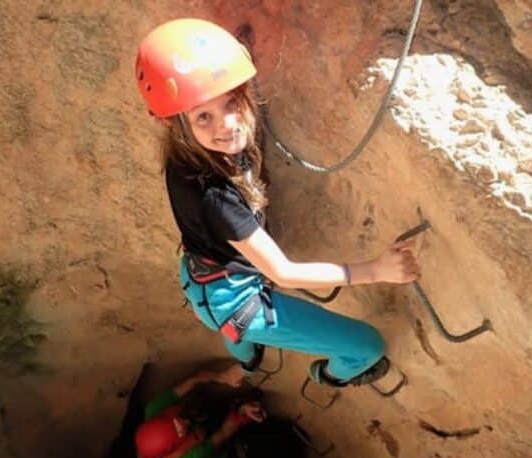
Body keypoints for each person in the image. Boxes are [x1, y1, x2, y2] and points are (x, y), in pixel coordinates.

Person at [134, 18, 420, 390]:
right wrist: (376, 270)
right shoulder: (215, 197)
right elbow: (283, 273)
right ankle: (328, 375)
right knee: (366, 346)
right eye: (204, 117)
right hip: (235, 302)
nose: (229, 125)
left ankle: (247, 361)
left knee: (237, 336)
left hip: (202, 279)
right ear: (179, 126)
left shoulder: (186, 153)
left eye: (233, 101)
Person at [135, 363, 265, 458]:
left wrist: (223, 377)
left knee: (198, 409)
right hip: (205, 439)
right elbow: (225, 432)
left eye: (178, 418)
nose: (185, 422)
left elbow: (193, 380)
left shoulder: (154, 409)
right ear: (177, 444)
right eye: (183, 428)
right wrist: (242, 411)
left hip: (195, 415)